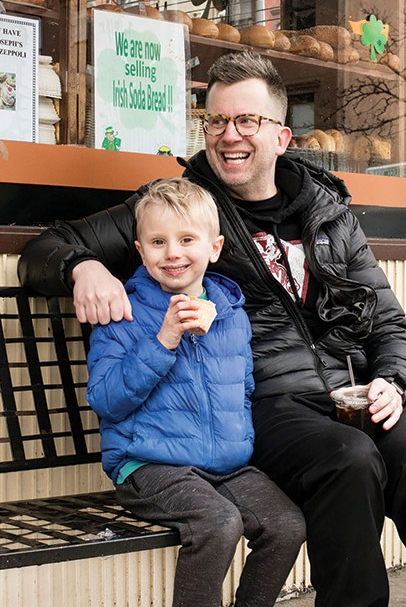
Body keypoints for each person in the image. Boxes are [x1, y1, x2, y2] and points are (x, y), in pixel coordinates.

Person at [20, 51, 406, 607]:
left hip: (351, 393)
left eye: (246, 120)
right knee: (348, 460)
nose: (230, 136)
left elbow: (387, 321)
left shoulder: (329, 215)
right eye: (217, 121)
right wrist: (81, 268)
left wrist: (394, 381)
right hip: (268, 404)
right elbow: (44, 248)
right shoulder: (188, 212)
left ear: (280, 136)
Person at [85, 178, 305, 607]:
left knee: (286, 525)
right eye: (158, 241)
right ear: (140, 250)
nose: (173, 253)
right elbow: (106, 399)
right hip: (149, 464)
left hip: (224, 465)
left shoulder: (229, 314)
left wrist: (236, 444)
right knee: (218, 523)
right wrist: (164, 340)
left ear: (214, 248)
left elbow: (242, 389)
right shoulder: (124, 313)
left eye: (187, 239)